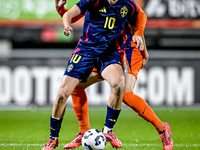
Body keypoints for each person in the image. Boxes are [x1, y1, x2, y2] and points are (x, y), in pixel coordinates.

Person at [55, 1, 174, 150]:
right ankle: (83, 131)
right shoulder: (97, 2)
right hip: (108, 51)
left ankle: (163, 129)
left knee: (126, 94)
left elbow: (141, 16)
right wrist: (60, 8)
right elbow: (73, 15)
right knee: (76, 86)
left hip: (129, 48)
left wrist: (142, 47)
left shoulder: (125, 3)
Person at [42, 0, 141, 150]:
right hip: (86, 51)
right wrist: (67, 24)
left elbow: (139, 21)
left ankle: (108, 131)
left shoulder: (128, 5)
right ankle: (53, 138)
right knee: (62, 93)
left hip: (109, 53)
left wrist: (140, 38)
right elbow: (69, 14)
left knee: (119, 85)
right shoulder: (94, 0)